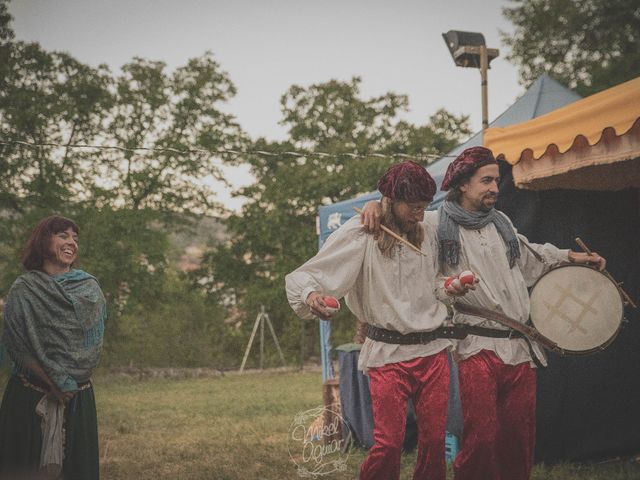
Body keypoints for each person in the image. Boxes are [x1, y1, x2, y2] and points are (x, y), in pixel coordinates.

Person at [360, 146, 605, 480]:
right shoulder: (433, 224)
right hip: (476, 345)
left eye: (497, 180)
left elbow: (531, 256)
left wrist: (574, 258)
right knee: (482, 439)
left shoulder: (500, 223)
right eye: (487, 180)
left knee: (519, 439)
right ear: (463, 184)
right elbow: (400, 214)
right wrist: (374, 204)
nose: (495, 188)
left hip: (519, 345)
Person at [286, 161, 458, 480]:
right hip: (388, 354)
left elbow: (463, 216)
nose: (420, 214)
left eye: (424, 207)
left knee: (434, 442)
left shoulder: (431, 227)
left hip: (433, 352)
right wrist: (311, 296)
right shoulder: (362, 231)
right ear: (391, 202)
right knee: (388, 444)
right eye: (414, 207)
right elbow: (309, 273)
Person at [0, 215, 106, 480]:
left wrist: (67, 383)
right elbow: (16, 344)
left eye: (75, 238)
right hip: (29, 396)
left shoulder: (89, 289)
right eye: (63, 235)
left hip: (76, 398)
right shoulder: (24, 289)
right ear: (43, 241)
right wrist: (54, 382)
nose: (72, 242)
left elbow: (91, 346)